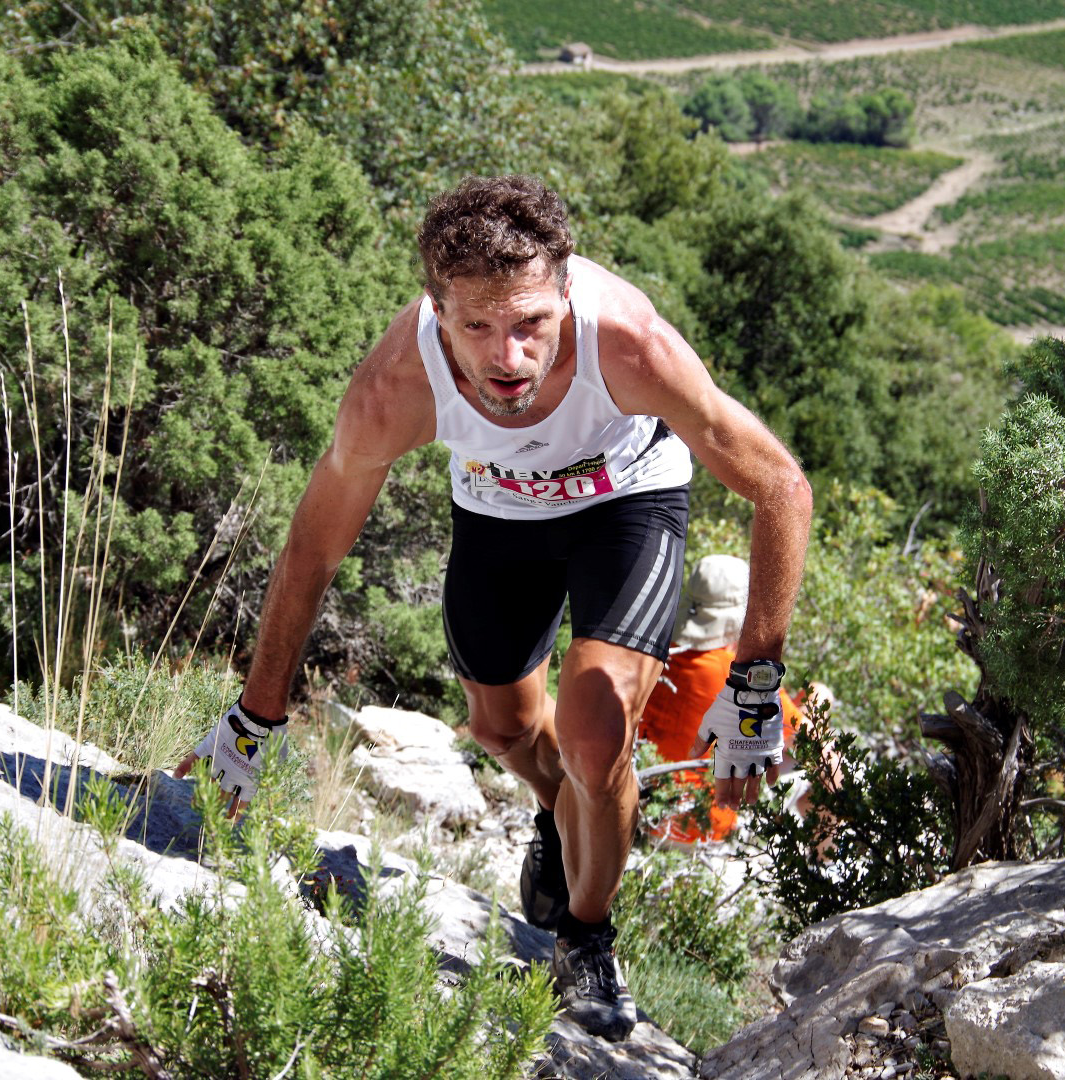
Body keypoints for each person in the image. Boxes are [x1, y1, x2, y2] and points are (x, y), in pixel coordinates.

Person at [176, 175, 812, 1041]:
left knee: (595, 734)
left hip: (626, 503)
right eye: (476, 327)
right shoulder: (393, 387)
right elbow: (313, 550)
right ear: (436, 314)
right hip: (500, 512)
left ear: (564, 292)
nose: (506, 356)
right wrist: (255, 721)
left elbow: (778, 484)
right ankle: (560, 813)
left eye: (529, 325)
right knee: (504, 731)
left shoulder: (629, 346)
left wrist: (754, 683)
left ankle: (585, 935)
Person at [639, 554, 802, 845]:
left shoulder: (654, 658)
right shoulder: (735, 675)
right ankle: (825, 867)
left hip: (648, 817)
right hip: (706, 830)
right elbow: (807, 739)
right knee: (812, 759)